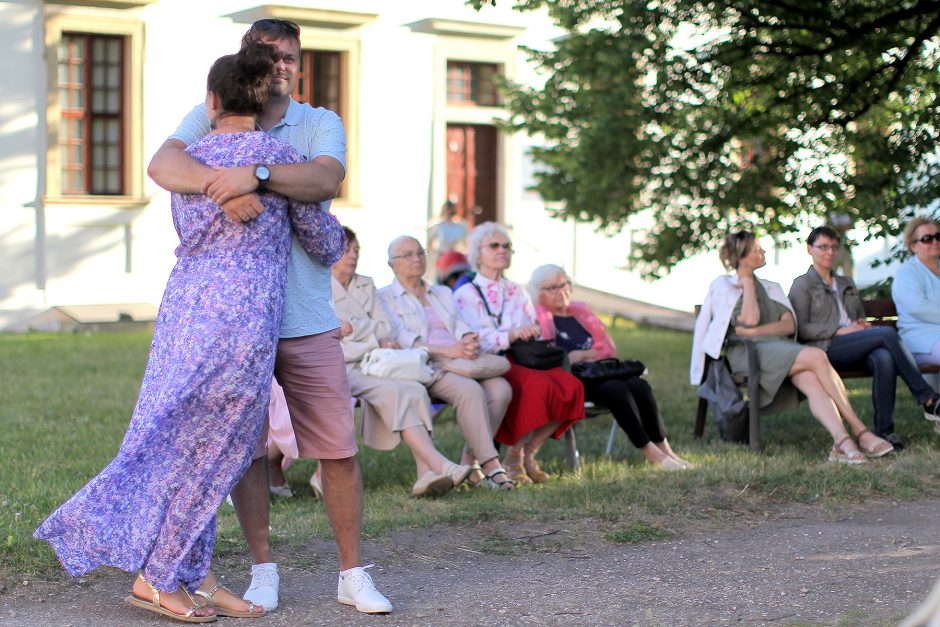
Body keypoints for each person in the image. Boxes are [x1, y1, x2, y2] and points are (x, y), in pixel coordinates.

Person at [34, 42, 345, 622]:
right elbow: (324, 241)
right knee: (216, 454)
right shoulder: (275, 158)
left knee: (183, 443)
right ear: (263, 97)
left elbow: (170, 180)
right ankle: (157, 577)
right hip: (241, 326)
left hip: (184, 318)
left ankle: (194, 574)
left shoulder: (193, 161)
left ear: (211, 101)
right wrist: (323, 222)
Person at [147, 19, 391, 615]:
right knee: (245, 452)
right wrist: (222, 185)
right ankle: (262, 569)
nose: (280, 65)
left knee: (336, 447)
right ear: (248, 62)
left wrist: (254, 175)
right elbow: (162, 165)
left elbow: (325, 178)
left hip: (304, 316)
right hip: (233, 328)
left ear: (299, 63)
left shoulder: (316, 122)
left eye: (289, 57)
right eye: (268, 55)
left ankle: (352, 572)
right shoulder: (211, 114)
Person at [691, 231, 894, 463]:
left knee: (811, 377)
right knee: (816, 357)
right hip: (747, 354)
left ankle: (841, 442)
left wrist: (757, 331)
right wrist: (746, 281)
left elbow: (787, 326)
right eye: (758, 249)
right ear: (743, 257)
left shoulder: (770, 287)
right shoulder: (725, 286)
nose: (763, 252)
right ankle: (860, 430)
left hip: (778, 348)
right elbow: (748, 319)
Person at [331, 227, 473, 496]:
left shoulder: (366, 283)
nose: (353, 255)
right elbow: (334, 337)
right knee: (398, 390)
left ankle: (425, 474)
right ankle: (440, 465)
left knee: (415, 388)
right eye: (346, 249)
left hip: (379, 362)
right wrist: (370, 334)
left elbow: (386, 330)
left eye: (356, 249)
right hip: (344, 367)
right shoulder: (320, 287)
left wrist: (355, 330)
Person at [453, 222, 585, 484]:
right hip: (489, 361)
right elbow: (471, 338)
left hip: (522, 358)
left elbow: (531, 324)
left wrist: (528, 331)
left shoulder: (517, 291)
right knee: (535, 387)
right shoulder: (464, 294)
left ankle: (528, 452)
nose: (502, 250)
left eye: (507, 246)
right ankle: (513, 459)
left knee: (571, 386)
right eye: (494, 245)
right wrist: (511, 334)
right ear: (477, 253)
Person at [379, 235, 515, 489]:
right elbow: (402, 339)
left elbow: (460, 324)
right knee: (470, 390)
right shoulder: (385, 298)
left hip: (460, 359)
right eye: (407, 255)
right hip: (428, 365)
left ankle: (471, 458)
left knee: (501, 389)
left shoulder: (441, 292)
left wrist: (468, 339)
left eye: (420, 253)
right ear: (391, 264)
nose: (416, 259)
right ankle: (492, 465)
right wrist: (449, 350)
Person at [789, 226, 940, 449]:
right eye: (823, 247)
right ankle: (927, 398)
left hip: (855, 344)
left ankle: (885, 431)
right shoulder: (802, 284)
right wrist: (839, 330)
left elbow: (858, 316)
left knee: (883, 357)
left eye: (833, 247)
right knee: (886, 333)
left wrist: (860, 325)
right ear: (810, 249)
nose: (829, 252)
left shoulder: (845, 282)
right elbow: (800, 328)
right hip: (824, 348)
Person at [530, 264, 692, 470]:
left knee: (639, 385)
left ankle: (665, 449)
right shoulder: (538, 319)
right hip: (574, 382)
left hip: (600, 371)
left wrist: (580, 355)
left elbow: (606, 349)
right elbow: (554, 358)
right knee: (617, 389)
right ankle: (651, 454)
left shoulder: (580, 313)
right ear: (538, 293)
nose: (560, 291)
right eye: (551, 288)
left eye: (563, 285)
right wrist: (577, 356)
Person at [893, 217, 940, 372]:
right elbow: (918, 308)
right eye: (927, 239)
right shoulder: (907, 273)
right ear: (913, 246)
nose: (935, 242)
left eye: (937, 237)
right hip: (921, 339)